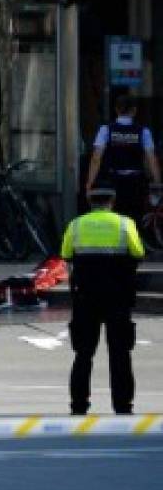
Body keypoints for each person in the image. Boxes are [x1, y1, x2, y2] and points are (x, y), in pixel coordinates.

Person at [60, 182, 145, 416]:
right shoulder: (125, 224)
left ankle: (79, 406)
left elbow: (66, 254)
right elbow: (138, 252)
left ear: (90, 203)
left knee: (83, 354)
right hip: (118, 297)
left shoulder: (76, 225)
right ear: (112, 202)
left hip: (86, 298)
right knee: (120, 354)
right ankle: (123, 405)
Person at [86, 95, 162, 222]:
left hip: (113, 182)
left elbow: (96, 158)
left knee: (114, 218)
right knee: (134, 218)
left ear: (116, 110)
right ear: (134, 111)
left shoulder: (105, 130)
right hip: (136, 184)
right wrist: (157, 182)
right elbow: (151, 159)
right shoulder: (143, 132)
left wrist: (90, 182)